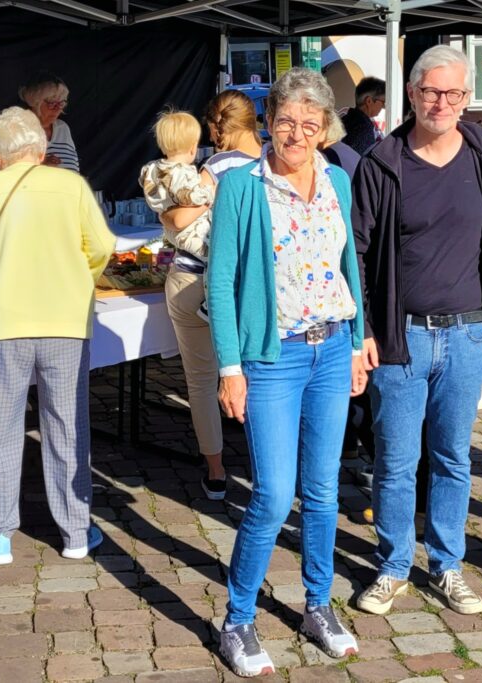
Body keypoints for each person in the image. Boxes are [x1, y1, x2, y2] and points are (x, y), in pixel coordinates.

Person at [208, 67, 368, 677]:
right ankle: (238, 619)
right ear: (267, 122)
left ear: (326, 129)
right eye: (285, 121)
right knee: (274, 494)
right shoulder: (242, 187)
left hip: (331, 348)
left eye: (310, 123)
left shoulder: (336, 180)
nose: (296, 133)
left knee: (324, 491)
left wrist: (357, 343)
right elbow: (221, 283)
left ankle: (318, 605)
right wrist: (230, 366)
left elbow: (348, 264)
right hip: (271, 357)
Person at [352, 45, 482, 616]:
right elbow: (359, 252)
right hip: (402, 336)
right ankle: (394, 565)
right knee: (397, 461)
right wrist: (367, 329)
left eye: (454, 94)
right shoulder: (383, 163)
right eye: (431, 92)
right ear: (413, 94)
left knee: (452, 456)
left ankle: (447, 565)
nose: (442, 102)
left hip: (469, 332)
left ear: (467, 99)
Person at [0, 107, 115, 566]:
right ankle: (75, 533)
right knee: (66, 425)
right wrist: (78, 276)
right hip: (64, 320)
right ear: (41, 148)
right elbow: (102, 247)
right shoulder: (71, 187)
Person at [160, 90, 263, 501]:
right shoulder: (272, 163)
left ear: (218, 129)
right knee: (259, 377)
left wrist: (167, 214)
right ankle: (263, 468)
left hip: (195, 281)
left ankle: (216, 472)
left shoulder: (218, 166)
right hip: (251, 287)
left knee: (202, 381)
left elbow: (182, 218)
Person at [140, 110, 214, 269]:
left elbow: (145, 184)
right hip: (193, 231)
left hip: (170, 230)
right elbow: (192, 196)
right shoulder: (183, 172)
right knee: (214, 255)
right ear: (193, 148)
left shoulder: (151, 168)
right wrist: (211, 191)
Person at [17, 72, 79, 171]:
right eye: (52, 102)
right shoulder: (13, 129)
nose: (57, 108)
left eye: (61, 102)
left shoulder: (63, 128)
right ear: (34, 101)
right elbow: (0, 179)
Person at [340, 76, 385, 155]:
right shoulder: (364, 129)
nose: (383, 107)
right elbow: (362, 163)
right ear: (369, 101)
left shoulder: (345, 119)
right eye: (383, 102)